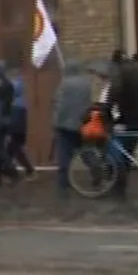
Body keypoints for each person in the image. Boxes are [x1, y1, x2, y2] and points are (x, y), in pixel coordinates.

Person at [101, 49, 138, 197]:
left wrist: (107, 109)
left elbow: (115, 90)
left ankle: (119, 182)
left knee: (120, 145)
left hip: (133, 115)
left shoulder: (120, 71)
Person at [51, 60, 93, 197]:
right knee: (86, 151)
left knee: (64, 154)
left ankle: (64, 183)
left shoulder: (64, 84)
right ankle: (98, 172)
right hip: (82, 123)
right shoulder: (86, 83)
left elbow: (60, 104)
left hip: (65, 125)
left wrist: (56, 121)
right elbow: (88, 103)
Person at [6, 73, 37, 181]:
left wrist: (9, 130)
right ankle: (11, 173)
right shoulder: (22, 102)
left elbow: (14, 121)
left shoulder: (15, 104)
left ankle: (29, 171)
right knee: (11, 151)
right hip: (20, 130)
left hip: (15, 130)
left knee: (15, 151)